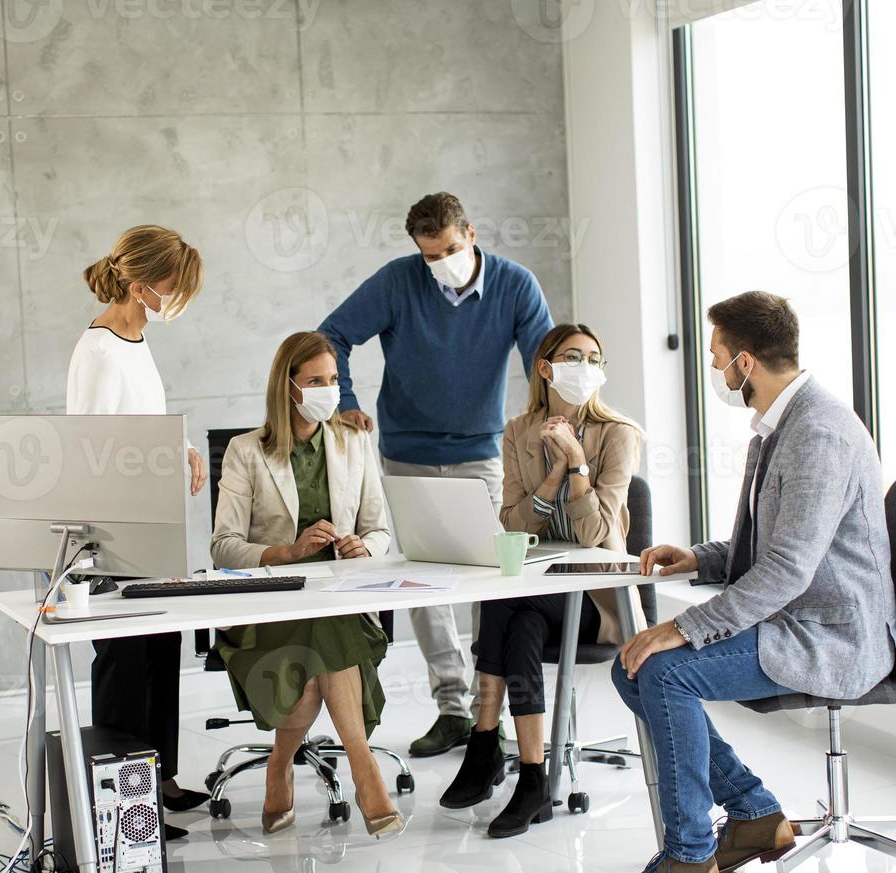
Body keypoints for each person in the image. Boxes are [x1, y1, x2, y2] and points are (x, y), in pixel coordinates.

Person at [589, 291, 896, 873]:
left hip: (832, 633)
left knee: (663, 667)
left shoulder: (817, 432)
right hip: (798, 615)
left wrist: (686, 627)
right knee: (631, 667)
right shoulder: (784, 425)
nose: (713, 369)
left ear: (745, 362)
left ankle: (687, 861)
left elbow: (788, 568)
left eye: (716, 357)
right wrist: (701, 559)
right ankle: (757, 815)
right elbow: (774, 542)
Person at [319, 191, 553, 759]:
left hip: (481, 453)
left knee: (492, 580)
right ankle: (452, 707)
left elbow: (542, 361)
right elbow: (331, 336)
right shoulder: (398, 282)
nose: (440, 262)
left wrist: (549, 427)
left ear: (470, 234)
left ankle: (487, 713)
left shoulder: (515, 285)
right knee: (424, 583)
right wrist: (345, 398)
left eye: (449, 248)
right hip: (407, 452)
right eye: (429, 255)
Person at [438, 323, 641, 837]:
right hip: (536, 596)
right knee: (519, 618)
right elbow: (512, 525)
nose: (586, 367)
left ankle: (486, 743)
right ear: (546, 368)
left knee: (506, 605)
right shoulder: (518, 432)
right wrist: (549, 477)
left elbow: (597, 534)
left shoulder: (618, 434)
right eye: (574, 356)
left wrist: (575, 463)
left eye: (595, 358)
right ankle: (533, 776)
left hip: (594, 597)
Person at [210, 331, 404, 839]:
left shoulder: (354, 441)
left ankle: (283, 762)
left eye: (334, 379)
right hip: (272, 608)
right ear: (288, 386)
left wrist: (366, 546)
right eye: (316, 380)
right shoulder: (245, 451)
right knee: (322, 637)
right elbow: (223, 546)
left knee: (325, 631)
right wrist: (288, 552)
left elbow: (381, 529)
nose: (328, 389)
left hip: (341, 598)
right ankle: (365, 774)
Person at [67, 224, 209, 836]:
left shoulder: (137, 338)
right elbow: (92, 443)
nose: (174, 299)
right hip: (118, 527)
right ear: (139, 280)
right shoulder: (97, 347)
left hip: (153, 515)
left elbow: (140, 418)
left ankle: (160, 775)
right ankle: (128, 807)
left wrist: (179, 447)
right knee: (124, 662)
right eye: (171, 287)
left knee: (161, 648)